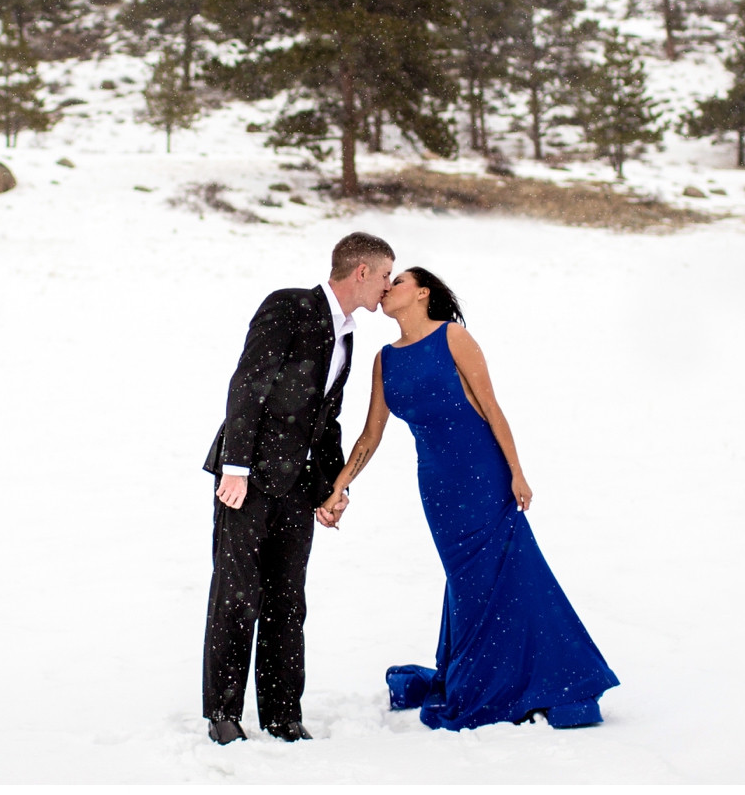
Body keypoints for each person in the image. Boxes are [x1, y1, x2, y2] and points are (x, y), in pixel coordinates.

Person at [319, 267, 619, 731]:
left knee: (506, 575)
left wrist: (517, 473)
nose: (387, 287)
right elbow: (370, 437)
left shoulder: (453, 337)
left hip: (483, 476)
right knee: (467, 583)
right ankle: (492, 673)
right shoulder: (384, 360)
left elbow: (492, 409)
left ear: (422, 293)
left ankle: (538, 677)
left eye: (397, 281)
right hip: (437, 488)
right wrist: (340, 488)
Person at [200, 231, 394, 745]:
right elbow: (248, 383)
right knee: (238, 594)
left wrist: (332, 488)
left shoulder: (348, 333)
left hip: (298, 485)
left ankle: (284, 715)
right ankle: (223, 713)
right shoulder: (289, 306)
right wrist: (235, 467)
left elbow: (325, 421)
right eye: (385, 275)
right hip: (248, 479)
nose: (388, 287)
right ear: (361, 272)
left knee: (288, 601)